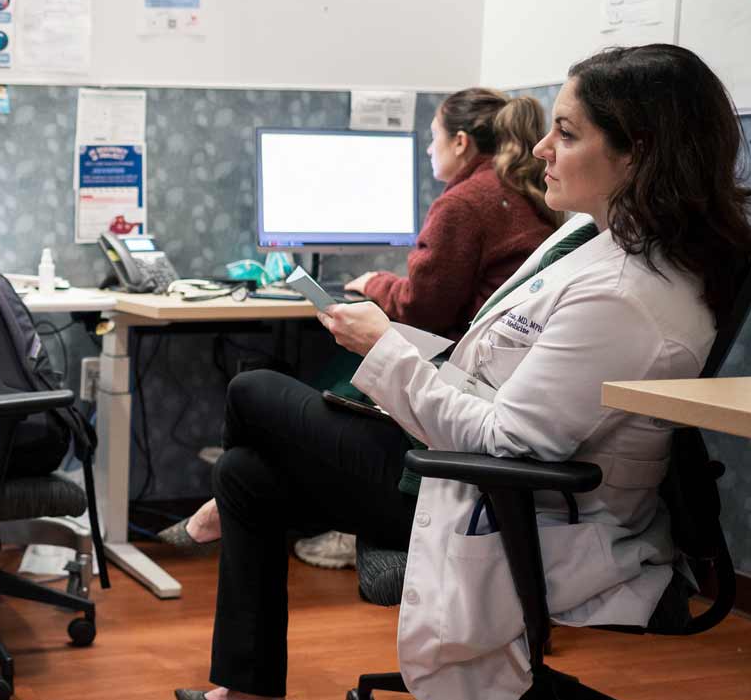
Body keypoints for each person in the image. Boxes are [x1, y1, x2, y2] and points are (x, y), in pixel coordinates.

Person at [174, 43, 751, 700]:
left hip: (512, 504)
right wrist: (402, 357)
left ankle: (219, 550)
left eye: (568, 133)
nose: (542, 146)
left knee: (252, 393)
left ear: (637, 153)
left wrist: (383, 347)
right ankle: (247, 691)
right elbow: (497, 369)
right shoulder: (593, 246)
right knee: (247, 475)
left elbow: (507, 443)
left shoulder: (624, 295)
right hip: (484, 476)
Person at [159, 88, 560, 568]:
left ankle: (301, 507)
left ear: (459, 143)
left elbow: (422, 308)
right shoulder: (523, 192)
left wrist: (376, 283)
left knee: (334, 374)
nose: (428, 151)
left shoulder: (465, 203)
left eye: (432, 139)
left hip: (460, 373)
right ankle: (248, 495)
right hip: (493, 375)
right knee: (334, 372)